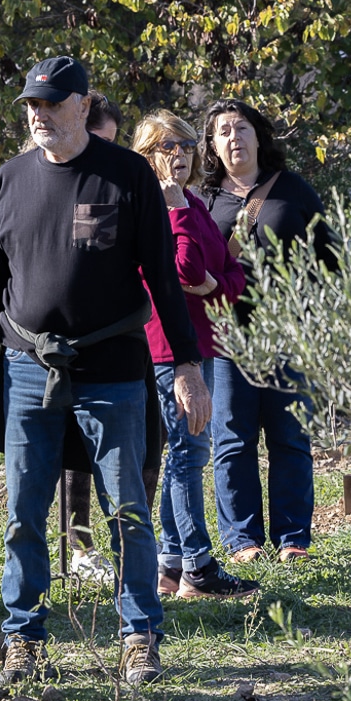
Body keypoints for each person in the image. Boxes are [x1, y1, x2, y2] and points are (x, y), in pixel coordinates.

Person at [0, 57, 209, 687]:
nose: (38, 115)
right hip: (26, 368)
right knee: (24, 508)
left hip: (112, 367)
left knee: (126, 505)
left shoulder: (127, 176)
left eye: (50, 104)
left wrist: (187, 366)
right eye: (30, 105)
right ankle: (22, 639)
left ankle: (138, 634)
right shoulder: (9, 180)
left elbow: (162, 278)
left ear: (82, 104)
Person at [200, 100, 333, 564]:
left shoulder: (293, 190)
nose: (234, 137)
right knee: (233, 439)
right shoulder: (203, 200)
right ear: (213, 145)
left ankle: (293, 538)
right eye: (223, 132)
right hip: (226, 337)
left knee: (290, 437)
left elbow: (330, 259)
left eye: (242, 128)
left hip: (289, 333)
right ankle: (243, 540)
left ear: (260, 137)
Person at [133, 109, 257, 599]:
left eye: (186, 147)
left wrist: (214, 285)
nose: (180, 156)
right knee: (189, 453)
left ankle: (170, 565)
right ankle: (199, 568)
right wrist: (178, 214)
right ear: (147, 155)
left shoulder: (193, 203)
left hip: (202, 343)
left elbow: (233, 273)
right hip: (169, 348)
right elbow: (183, 269)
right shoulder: (152, 208)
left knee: (184, 454)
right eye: (168, 147)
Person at [61, 93, 167, 582]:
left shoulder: (127, 182)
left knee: (148, 445)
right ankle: (79, 548)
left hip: (129, 343)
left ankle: (131, 554)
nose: (102, 153)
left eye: (109, 143)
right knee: (75, 455)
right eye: (97, 142)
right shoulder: (51, 185)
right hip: (67, 351)